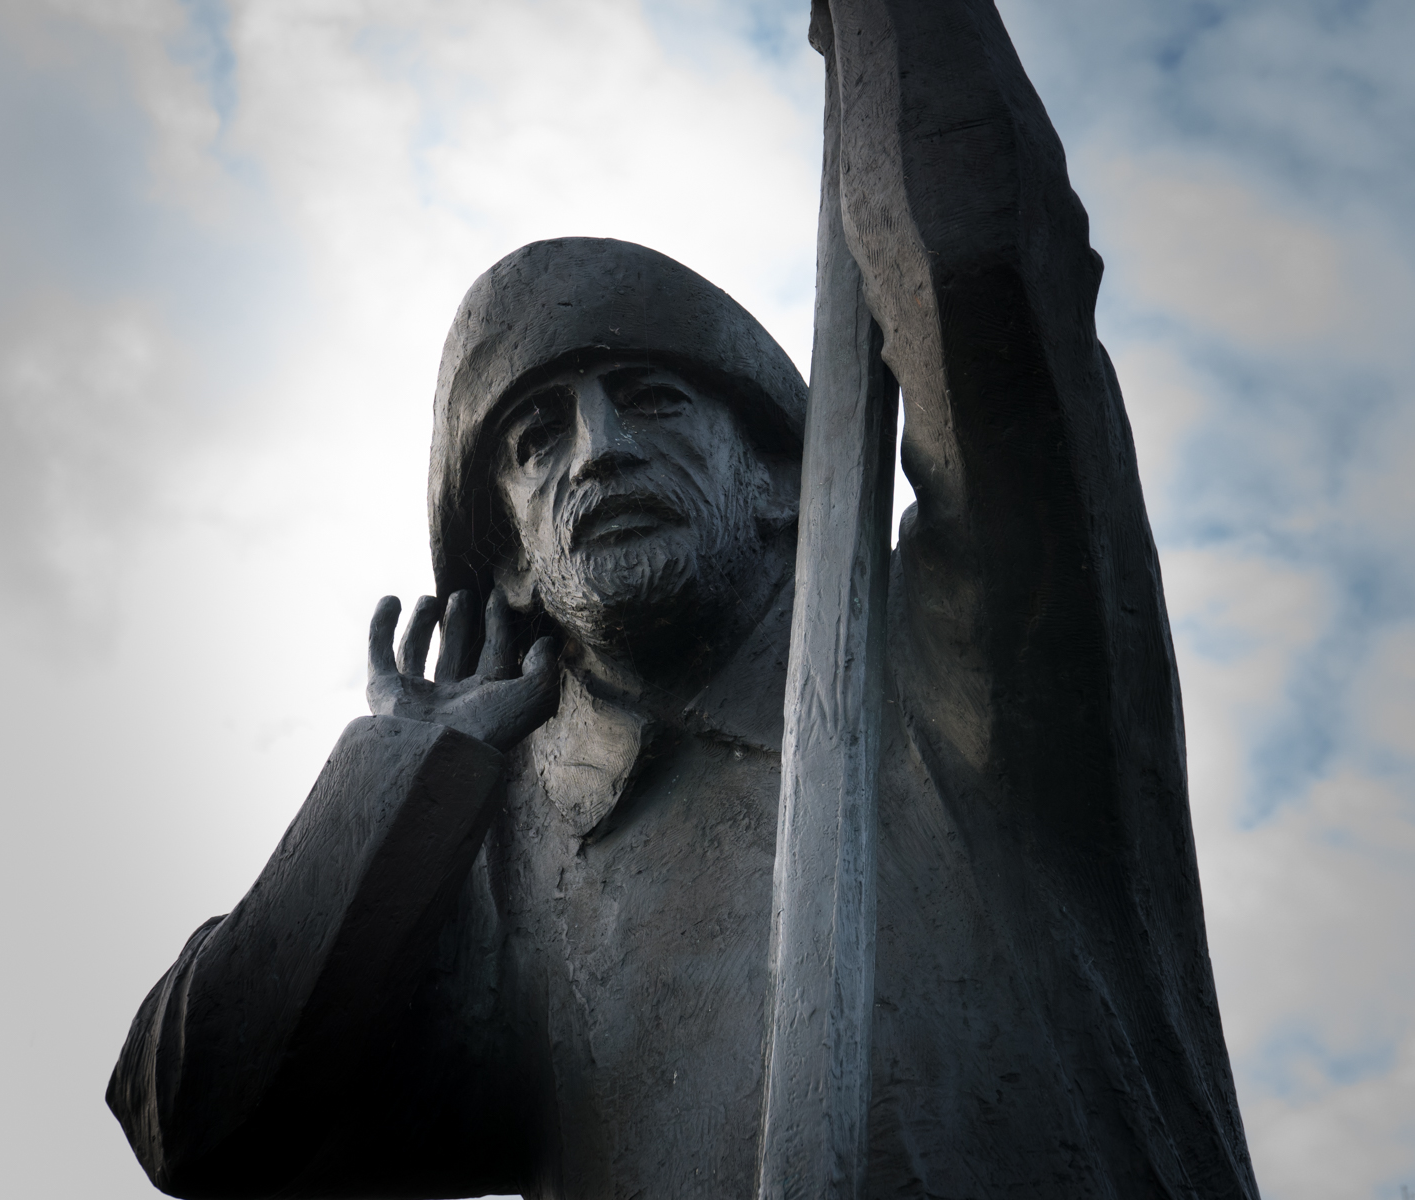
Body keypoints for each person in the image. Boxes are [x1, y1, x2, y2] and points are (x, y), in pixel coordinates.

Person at [108, 6, 1262, 1199]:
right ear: (511, 564)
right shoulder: (497, 874)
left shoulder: (963, 661)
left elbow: (984, 297)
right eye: (536, 440)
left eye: (654, 400)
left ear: (781, 480)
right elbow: (198, 1121)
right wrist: (404, 770)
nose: (598, 450)